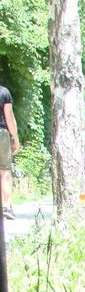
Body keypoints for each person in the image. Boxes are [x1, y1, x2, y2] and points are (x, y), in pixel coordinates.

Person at [0, 84, 20, 220]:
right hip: (1, 134)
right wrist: (16, 138)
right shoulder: (3, 92)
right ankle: (6, 207)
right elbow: (9, 118)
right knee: (4, 171)